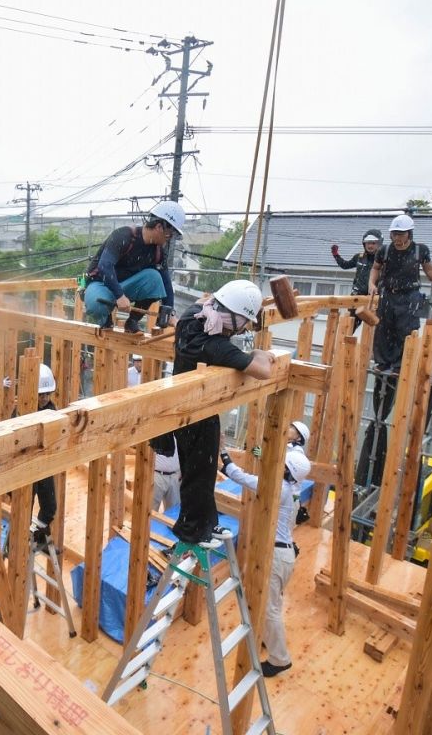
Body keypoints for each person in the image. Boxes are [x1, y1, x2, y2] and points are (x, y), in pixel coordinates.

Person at [169, 280, 278, 546]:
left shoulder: (192, 318)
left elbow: (202, 300)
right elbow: (264, 371)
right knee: (198, 473)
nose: (244, 328)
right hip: (194, 411)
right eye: (245, 322)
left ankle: (207, 522)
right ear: (235, 316)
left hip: (193, 407)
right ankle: (191, 529)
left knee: (203, 471)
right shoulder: (215, 346)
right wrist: (259, 352)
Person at [357, 214, 432, 487]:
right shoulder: (386, 251)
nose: (397, 238)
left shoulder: (419, 251)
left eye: (401, 235)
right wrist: (372, 283)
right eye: (395, 235)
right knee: (383, 328)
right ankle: (383, 362)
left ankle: (398, 364)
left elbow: (430, 271)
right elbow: (375, 269)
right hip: (389, 294)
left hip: (410, 296)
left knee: (406, 331)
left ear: (409, 234)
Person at [218, 421, 312, 677]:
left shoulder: (278, 488)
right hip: (285, 554)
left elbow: (238, 475)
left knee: (271, 608)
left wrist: (223, 454)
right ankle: (266, 638)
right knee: (271, 603)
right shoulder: (292, 487)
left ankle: (280, 659)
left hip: (278, 555)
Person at [82, 200, 185, 332]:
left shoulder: (158, 251)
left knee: (155, 277)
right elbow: (104, 266)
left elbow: (165, 282)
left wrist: (170, 312)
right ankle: (106, 320)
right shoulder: (124, 236)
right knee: (96, 304)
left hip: (126, 285)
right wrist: (119, 296)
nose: (169, 239)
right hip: (101, 283)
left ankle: (132, 322)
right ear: (159, 227)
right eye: (170, 234)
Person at [10, 364, 60, 548]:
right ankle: (14, 547)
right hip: (24, 471)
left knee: (49, 508)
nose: (44, 398)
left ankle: (38, 541)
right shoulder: (20, 413)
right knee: (23, 512)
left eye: (47, 394)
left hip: (44, 467)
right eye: (41, 395)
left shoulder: (52, 410)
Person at [331, 228, 383, 333]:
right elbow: (345, 265)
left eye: (373, 243)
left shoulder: (383, 259)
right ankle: (344, 345)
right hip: (356, 298)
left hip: (374, 299)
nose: (370, 246)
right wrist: (336, 255)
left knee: (374, 331)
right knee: (348, 328)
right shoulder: (359, 257)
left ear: (379, 244)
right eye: (368, 243)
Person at [149, 433, 181, 512]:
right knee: (151, 510)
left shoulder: (181, 429)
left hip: (175, 476)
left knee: (173, 511)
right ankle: (150, 524)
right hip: (157, 476)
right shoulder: (159, 429)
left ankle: (170, 524)